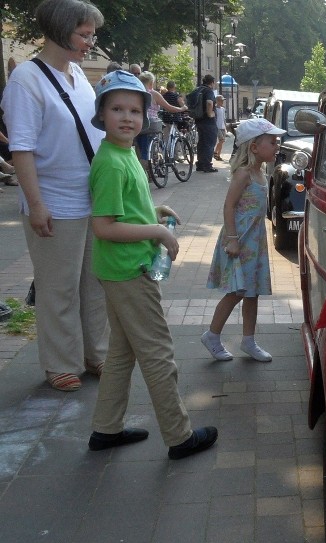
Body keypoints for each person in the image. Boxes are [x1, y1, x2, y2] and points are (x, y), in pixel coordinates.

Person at [86, 70, 218, 459]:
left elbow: (125, 211)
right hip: (130, 271)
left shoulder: (123, 154)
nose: (127, 117)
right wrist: (159, 234)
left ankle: (105, 430)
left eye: (135, 110)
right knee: (159, 354)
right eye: (117, 109)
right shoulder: (111, 162)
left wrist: (153, 212)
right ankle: (179, 437)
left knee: (122, 354)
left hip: (122, 269)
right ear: (102, 114)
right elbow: (104, 227)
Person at [1, 0, 109, 391]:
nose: (90, 41)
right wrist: (37, 205)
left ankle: (96, 353)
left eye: (91, 33)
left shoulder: (78, 74)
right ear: (60, 31)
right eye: (84, 33)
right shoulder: (26, 79)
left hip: (92, 198)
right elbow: (22, 148)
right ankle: (60, 363)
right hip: (54, 201)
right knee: (58, 286)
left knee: (95, 282)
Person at [200, 118, 282, 362]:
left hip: (254, 241)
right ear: (254, 147)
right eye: (272, 142)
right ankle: (212, 335)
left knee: (252, 292)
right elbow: (229, 206)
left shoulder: (259, 172)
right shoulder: (244, 174)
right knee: (237, 291)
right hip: (240, 240)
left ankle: (248, 340)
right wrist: (233, 239)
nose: (277, 146)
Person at [136, 71, 186, 177]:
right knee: (147, 150)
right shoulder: (153, 94)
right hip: (151, 124)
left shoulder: (137, 92)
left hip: (138, 123)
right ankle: (145, 173)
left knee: (140, 149)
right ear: (151, 82)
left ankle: (144, 170)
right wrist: (182, 108)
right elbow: (169, 108)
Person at [193, 74, 218, 172]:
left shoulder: (198, 89)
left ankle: (200, 164)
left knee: (202, 143)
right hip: (208, 122)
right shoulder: (209, 91)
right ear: (212, 82)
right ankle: (207, 165)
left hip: (199, 120)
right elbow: (209, 102)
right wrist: (210, 113)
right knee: (210, 143)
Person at [213, 95, 226, 161]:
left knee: (222, 141)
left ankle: (218, 155)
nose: (222, 102)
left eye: (223, 100)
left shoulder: (223, 109)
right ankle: (215, 152)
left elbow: (224, 119)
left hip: (222, 127)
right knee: (221, 140)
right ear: (217, 101)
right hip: (217, 126)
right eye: (221, 100)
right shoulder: (215, 109)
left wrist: (225, 127)